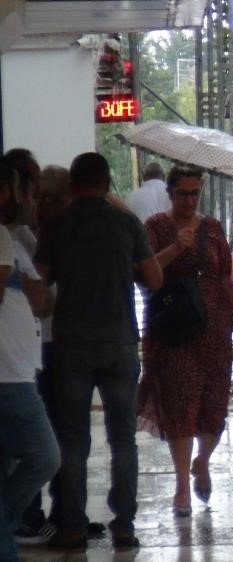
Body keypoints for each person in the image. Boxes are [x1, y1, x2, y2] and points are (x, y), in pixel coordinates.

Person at [34, 152, 163, 552]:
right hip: (120, 341)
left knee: (73, 440)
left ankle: (72, 525)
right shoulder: (126, 223)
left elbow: (42, 284)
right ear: (108, 185)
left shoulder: (56, 225)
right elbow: (155, 280)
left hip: (71, 344)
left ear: (72, 186)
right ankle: (123, 525)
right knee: (123, 438)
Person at [136, 164, 233, 518]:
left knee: (214, 408)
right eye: (182, 193)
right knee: (180, 406)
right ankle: (182, 486)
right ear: (169, 192)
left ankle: (203, 461)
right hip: (175, 333)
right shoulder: (156, 227)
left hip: (214, 333)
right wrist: (172, 250)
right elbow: (144, 275)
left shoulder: (212, 229)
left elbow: (227, 280)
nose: (188, 199)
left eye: (194, 193)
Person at [0, 157, 60, 562]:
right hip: (7, 376)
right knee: (44, 456)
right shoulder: (4, 241)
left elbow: (43, 300)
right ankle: (4, 518)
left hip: (19, 370)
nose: (34, 197)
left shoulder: (16, 241)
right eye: (30, 187)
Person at [14, 164, 75, 545]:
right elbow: (43, 297)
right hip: (39, 349)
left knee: (52, 435)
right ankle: (27, 515)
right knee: (40, 442)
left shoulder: (43, 233)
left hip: (51, 345)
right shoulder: (24, 237)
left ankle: (52, 512)